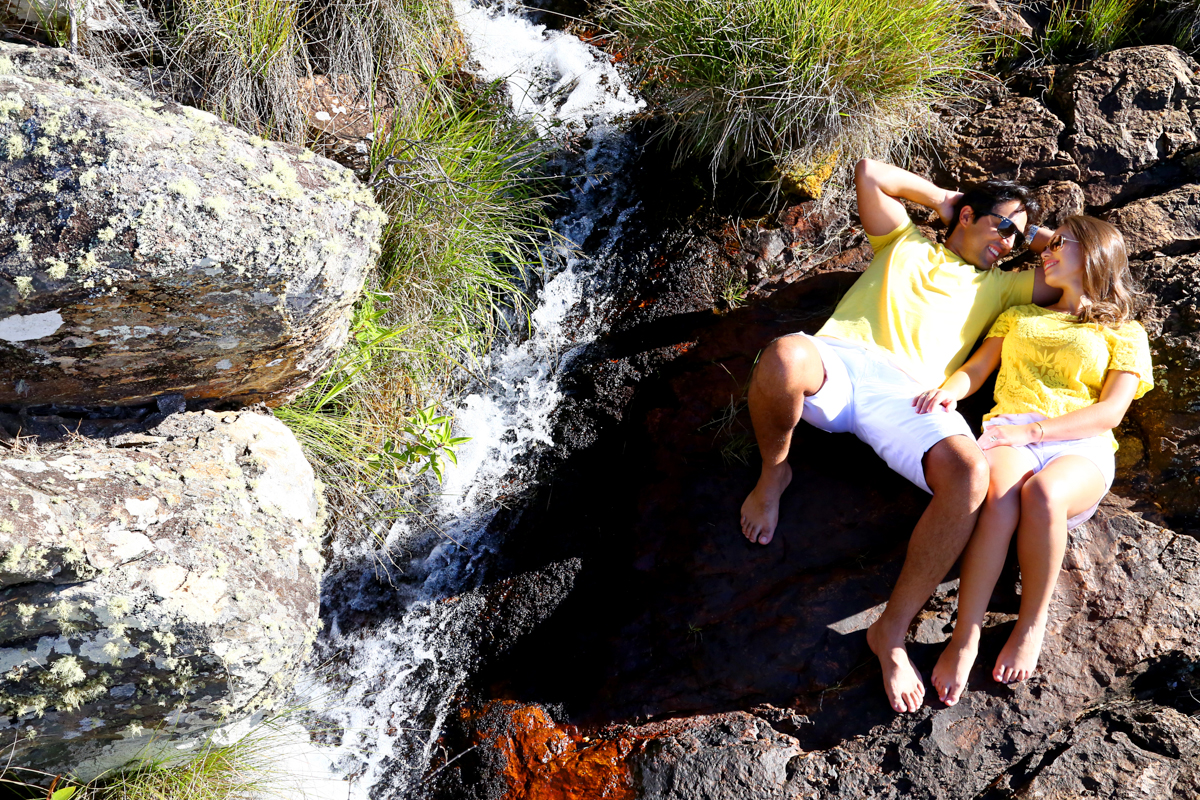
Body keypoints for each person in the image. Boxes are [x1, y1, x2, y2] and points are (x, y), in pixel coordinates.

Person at [738, 158, 1060, 713]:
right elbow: (870, 172)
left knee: (971, 474)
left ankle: (889, 632)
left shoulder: (1002, 288)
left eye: (1019, 236)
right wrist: (943, 198)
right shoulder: (901, 241)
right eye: (1002, 227)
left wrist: (1036, 235)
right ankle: (775, 472)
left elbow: (1070, 270)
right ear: (966, 216)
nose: (1010, 243)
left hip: (910, 397)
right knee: (785, 356)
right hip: (839, 361)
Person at [920, 216, 1153, 707]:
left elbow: (1111, 411)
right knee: (1001, 499)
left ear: (1092, 255)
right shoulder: (1021, 315)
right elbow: (976, 370)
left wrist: (1037, 431)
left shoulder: (1124, 330)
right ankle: (966, 636)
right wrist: (946, 392)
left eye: (1058, 245)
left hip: (1080, 442)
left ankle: (1032, 622)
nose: (1044, 252)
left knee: (1043, 494)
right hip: (1010, 431)